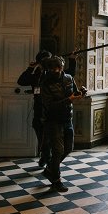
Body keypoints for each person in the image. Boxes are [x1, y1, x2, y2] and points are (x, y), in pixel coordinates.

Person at [18, 50, 76, 167]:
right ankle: (46, 158)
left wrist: (72, 59)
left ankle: (51, 165)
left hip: (57, 113)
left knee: (57, 143)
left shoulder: (58, 75)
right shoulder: (37, 76)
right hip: (40, 112)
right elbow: (21, 81)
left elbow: (70, 74)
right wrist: (30, 68)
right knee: (43, 139)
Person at [40, 56, 84, 193]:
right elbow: (49, 105)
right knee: (58, 150)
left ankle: (49, 170)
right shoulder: (45, 83)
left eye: (58, 68)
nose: (56, 71)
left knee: (68, 149)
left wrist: (80, 93)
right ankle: (56, 181)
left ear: (62, 67)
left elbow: (73, 93)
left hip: (67, 118)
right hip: (53, 120)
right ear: (48, 69)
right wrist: (69, 100)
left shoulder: (69, 78)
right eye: (52, 69)